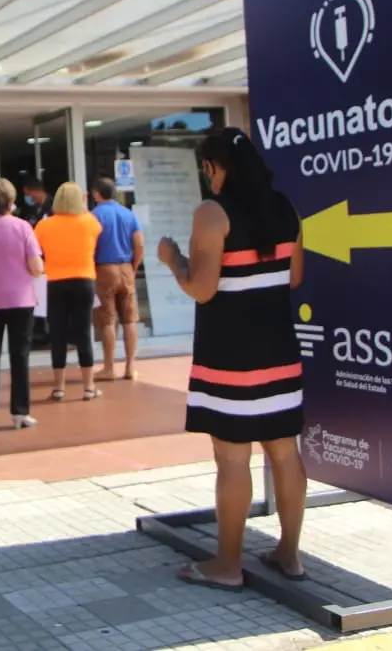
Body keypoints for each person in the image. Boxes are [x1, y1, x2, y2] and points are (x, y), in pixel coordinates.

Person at [157, 127, 307, 590]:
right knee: (284, 451)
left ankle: (226, 564)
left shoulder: (212, 213)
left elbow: (202, 289)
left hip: (230, 351)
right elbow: (294, 278)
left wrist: (173, 259)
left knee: (232, 457)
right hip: (280, 347)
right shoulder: (285, 208)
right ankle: (289, 554)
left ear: (211, 167)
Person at [0, 179, 44, 430]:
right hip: (20, 299)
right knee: (19, 355)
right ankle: (20, 412)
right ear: (11, 202)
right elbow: (36, 266)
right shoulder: (23, 227)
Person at [34, 182, 104, 402]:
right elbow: (96, 235)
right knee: (83, 334)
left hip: (55, 281)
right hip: (84, 280)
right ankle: (89, 387)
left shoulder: (44, 226)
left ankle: (59, 388)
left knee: (58, 335)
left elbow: (37, 250)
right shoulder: (90, 222)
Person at [90, 177, 144, 382]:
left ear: (97, 193)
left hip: (104, 268)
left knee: (107, 319)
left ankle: (109, 367)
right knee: (130, 319)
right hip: (126, 267)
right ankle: (130, 366)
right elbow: (139, 243)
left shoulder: (95, 216)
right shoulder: (128, 214)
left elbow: (91, 246)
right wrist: (133, 266)